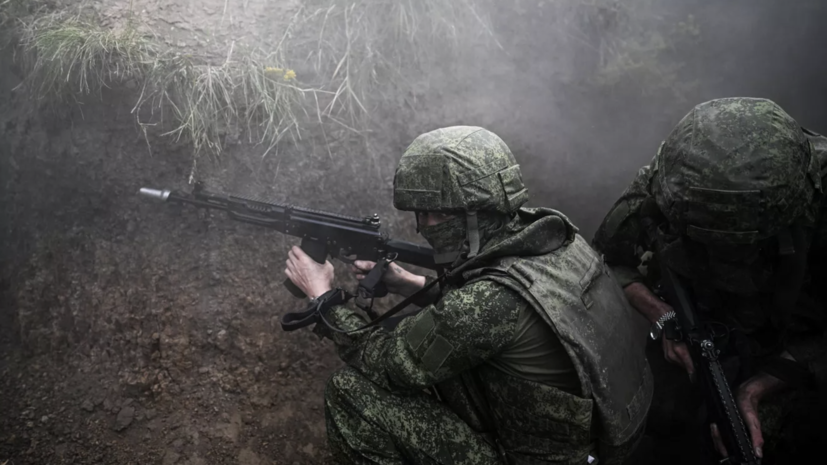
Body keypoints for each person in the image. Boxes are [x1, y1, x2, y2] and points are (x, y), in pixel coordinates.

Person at [284, 126, 652, 464]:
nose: (422, 226)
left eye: (434, 215)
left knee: (350, 393)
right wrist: (408, 283)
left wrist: (323, 296)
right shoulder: (556, 242)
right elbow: (500, 313)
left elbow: (386, 364)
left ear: (476, 212)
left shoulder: (490, 302)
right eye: (420, 214)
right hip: (594, 444)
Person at [592, 97, 827, 464]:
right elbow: (609, 260)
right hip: (698, 325)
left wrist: (758, 387)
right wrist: (663, 317)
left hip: (798, 344)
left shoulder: (817, 194)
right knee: (660, 420)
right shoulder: (670, 183)